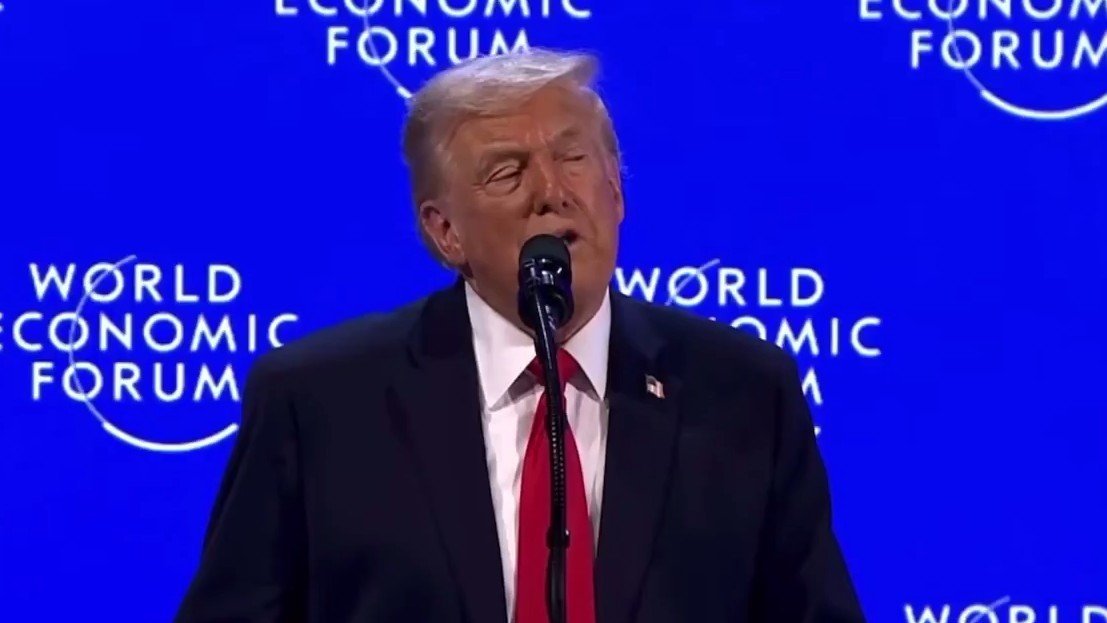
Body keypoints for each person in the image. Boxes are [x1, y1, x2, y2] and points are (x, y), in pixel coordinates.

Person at [174, 48, 866, 623]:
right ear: (444, 231)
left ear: (616, 195)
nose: (551, 191)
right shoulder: (319, 399)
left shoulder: (741, 391)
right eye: (508, 172)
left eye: (573, 159)